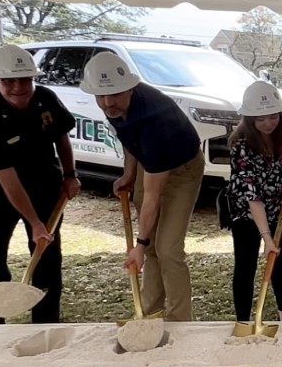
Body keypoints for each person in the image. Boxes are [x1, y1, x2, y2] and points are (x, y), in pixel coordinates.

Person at [80, 51, 205, 322]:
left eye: (113, 95)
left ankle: (180, 321)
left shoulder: (154, 121)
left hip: (181, 169)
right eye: (100, 96)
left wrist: (138, 243)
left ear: (131, 88)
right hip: (150, 164)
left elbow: (152, 197)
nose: (107, 102)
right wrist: (128, 173)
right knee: (150, 249)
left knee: (167, 248)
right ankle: (150, 314)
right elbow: (129, 136)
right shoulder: (114, 105)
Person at [0, 44, 80, 324]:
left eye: (24, 79)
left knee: (47, 256)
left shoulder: (46, 98)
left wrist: (70, 174)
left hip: (45, 188)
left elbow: (61, 136)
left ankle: (46, 321)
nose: (17, 87)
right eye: (8, 81)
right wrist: (35, 222)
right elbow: (7, 178)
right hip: (0, 193)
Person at [225, 81, 282, 323]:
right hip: (247, 211)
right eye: (260, 119)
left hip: (281, 204)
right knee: (246, 265)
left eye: (272, 116)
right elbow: (252, 197)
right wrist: (267, 238)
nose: (268, 123)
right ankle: (244, 321)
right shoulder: (241, 147)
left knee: (280, 259)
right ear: (249, 119)